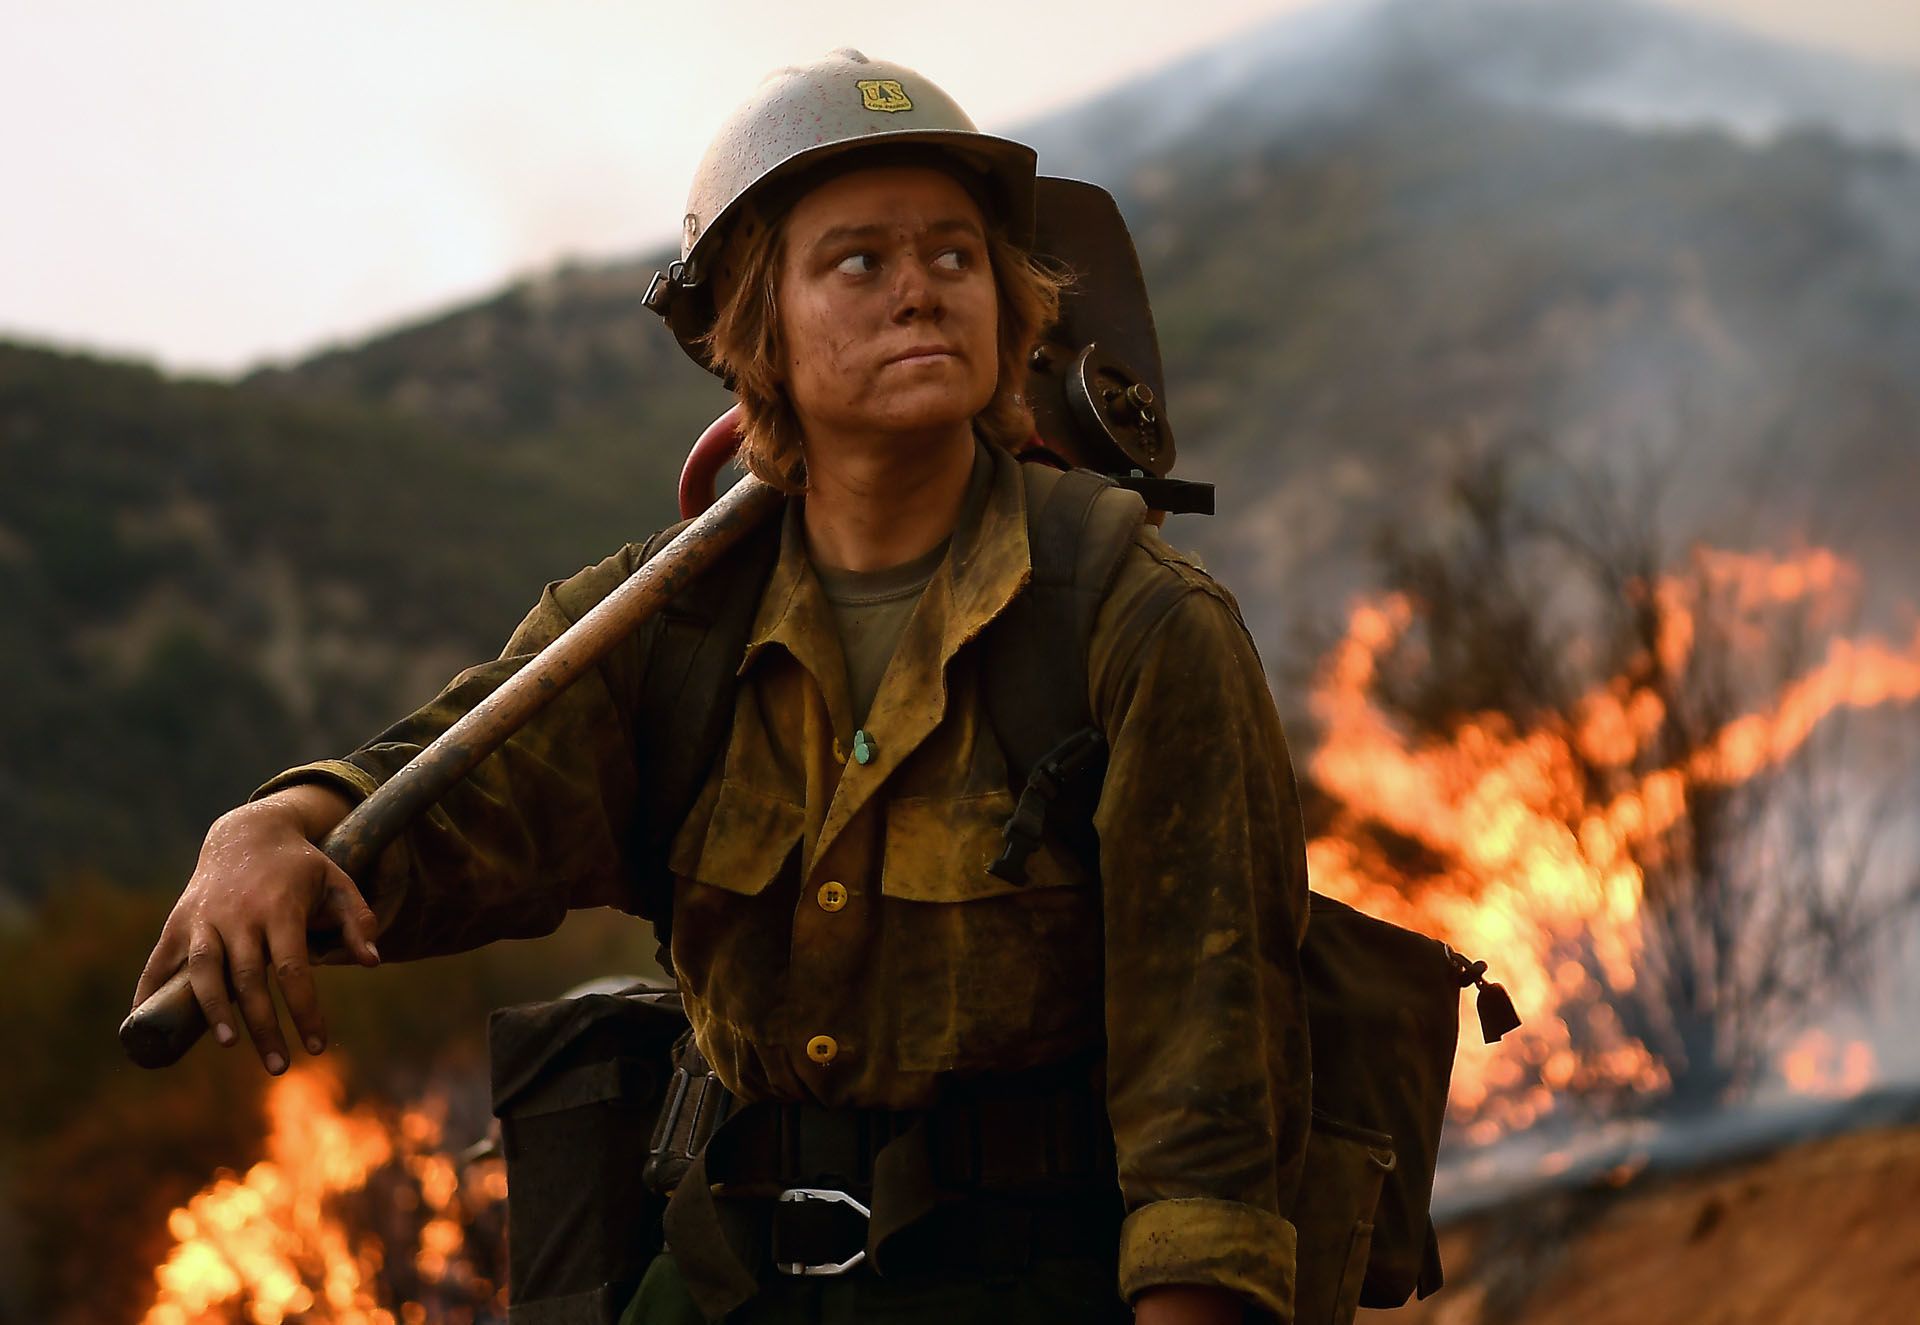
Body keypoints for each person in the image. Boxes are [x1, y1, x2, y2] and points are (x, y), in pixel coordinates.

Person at [132, 51, 1312, 1325]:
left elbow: (1213, 1100)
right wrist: (270, 826)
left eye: (957, 255)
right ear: (756, 326)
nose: (919, 289)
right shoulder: (664, 625)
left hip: (1027, 1279)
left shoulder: (1134, 621)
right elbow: (441, 794)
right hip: (726, 1277)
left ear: (1010, 303)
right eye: (858, 261)